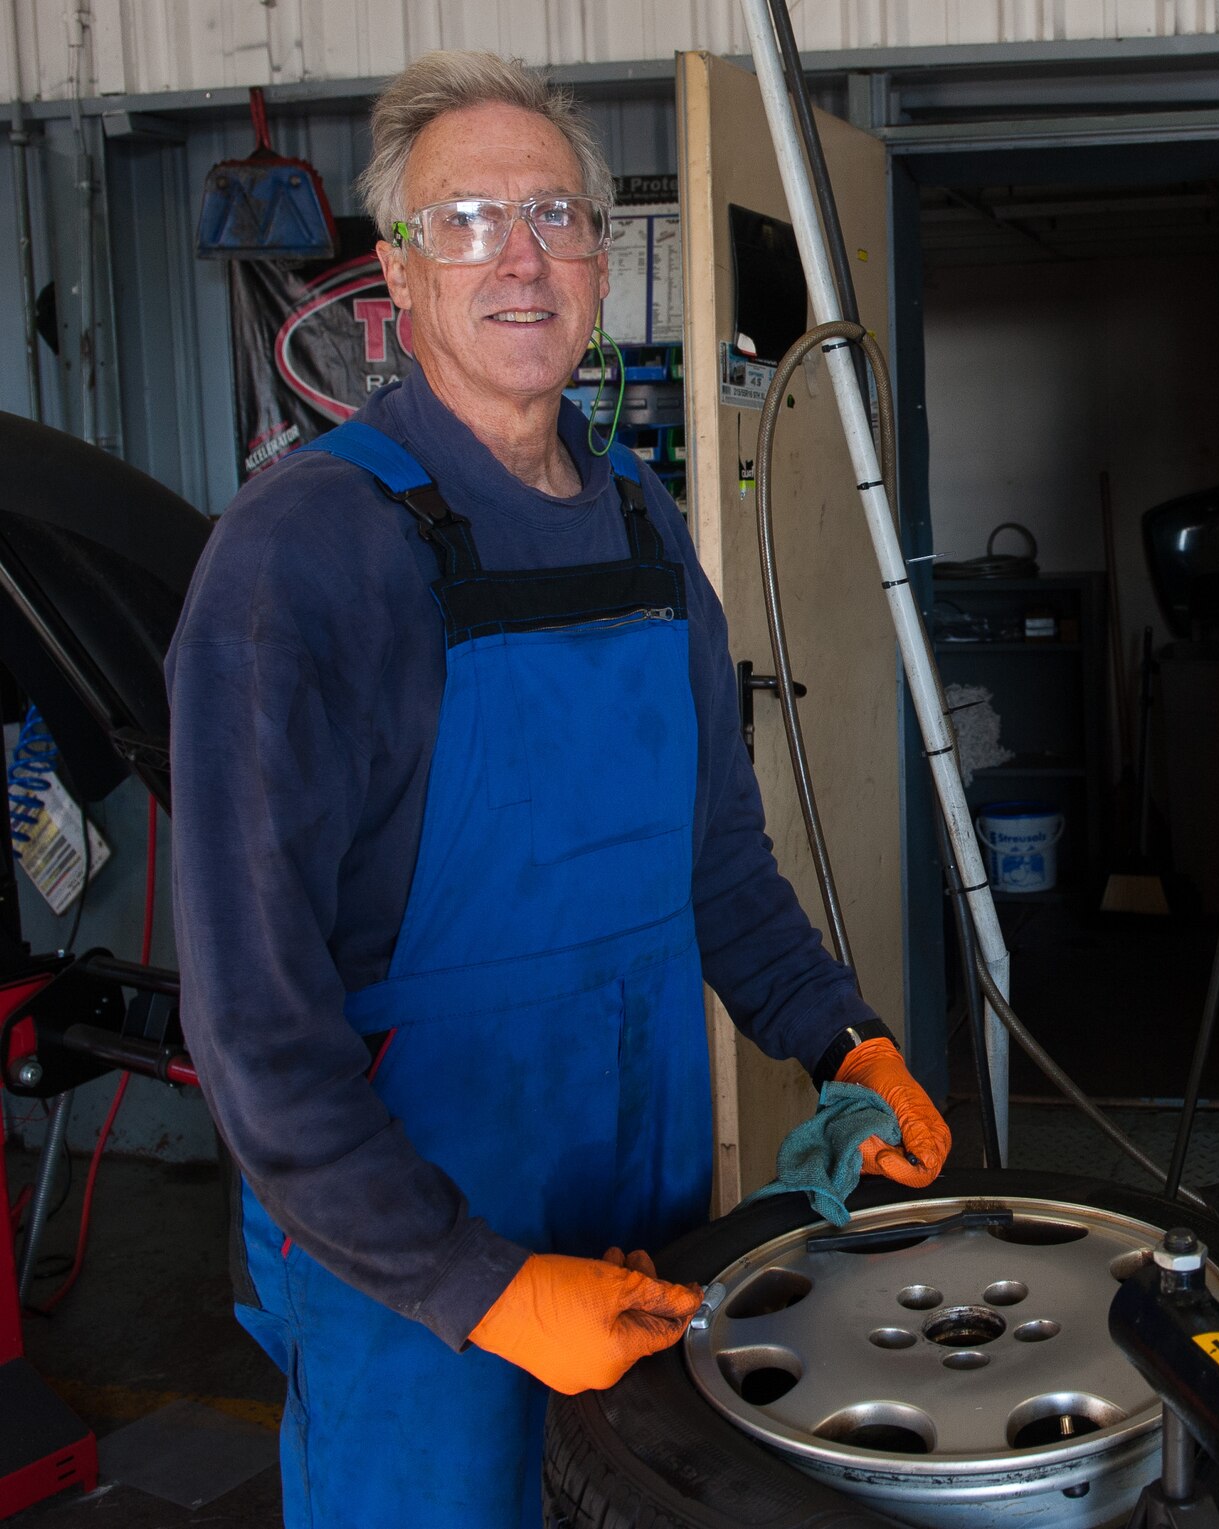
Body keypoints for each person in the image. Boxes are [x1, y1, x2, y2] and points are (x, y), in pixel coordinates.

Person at [168, 50, 948, 1528]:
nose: (520, 256)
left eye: (557, 216)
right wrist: (488, 1288)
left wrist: (848, 1039)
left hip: (649, 1236)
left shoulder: (652, 540)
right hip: (410, 1275)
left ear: (602, 263)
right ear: (394, 273)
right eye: (467, 219)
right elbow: (259, 1033)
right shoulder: (298, 561)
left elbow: (723, 872)